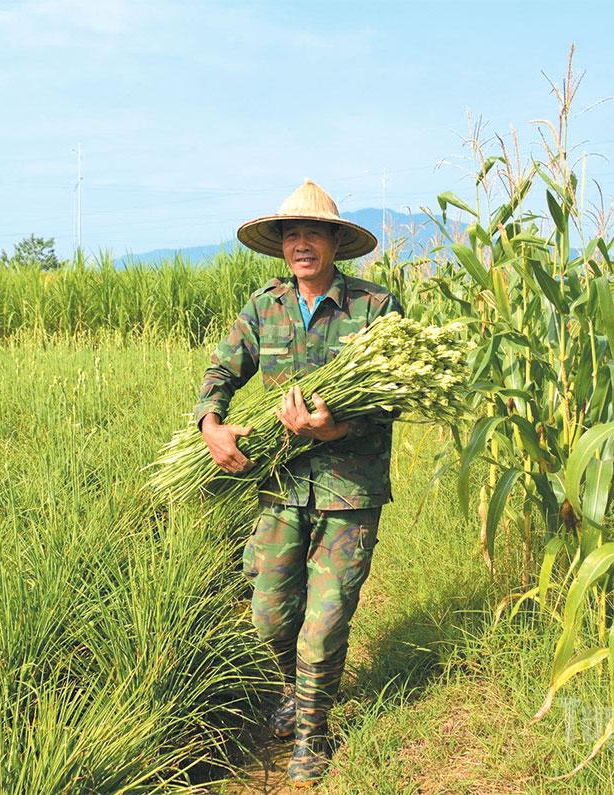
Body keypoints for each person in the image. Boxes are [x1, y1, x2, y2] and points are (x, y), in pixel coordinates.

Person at [193, 179, 402, 786]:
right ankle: (293, 690)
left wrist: (333, 429)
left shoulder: (375, 308)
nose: (301, 244)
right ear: (281, 245)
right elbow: (221, 369)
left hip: (350, 486)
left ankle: (313, 733)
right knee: (269, 610)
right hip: (281, 483)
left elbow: (394, 398)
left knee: (326, 618)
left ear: (335, 241)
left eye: (313, 232)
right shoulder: (264, 307)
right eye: (291, 234)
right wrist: (212, 424)